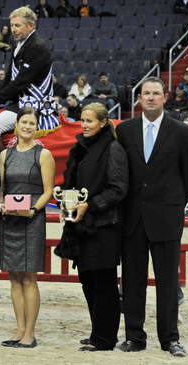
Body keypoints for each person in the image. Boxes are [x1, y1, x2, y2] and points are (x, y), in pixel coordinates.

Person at [116, 77, 188, 357]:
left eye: (156, 93)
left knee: (167, 282)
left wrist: (171, 205)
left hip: (166, 217)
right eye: (146, 93)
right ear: (139, 98)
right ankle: (134, 337)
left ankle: (170, 338)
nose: (150, 98)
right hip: (133, 219)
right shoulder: (124, 131)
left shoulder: (181, 132)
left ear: (165, 98)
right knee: (132, 281)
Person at [58, 103, 128, 351]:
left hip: (104, 226)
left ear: (102, 122)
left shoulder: (113, 148)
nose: (84, 125)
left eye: (89, 121)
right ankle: (98, 332)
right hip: (81, 225)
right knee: (87, 280)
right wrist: (69, 205)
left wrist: (91, 205)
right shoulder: (81, 148)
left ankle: (105, 338)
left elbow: (118, 189)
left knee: (103, 282)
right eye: (82, 120)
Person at [0, 107, 55, 348]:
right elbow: (0, 189)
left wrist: (33, 210)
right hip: (9, 221)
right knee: (14, 278)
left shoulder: (44, 155)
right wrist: (0, 205)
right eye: (24, 122)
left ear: (36, 127)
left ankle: (30, 333)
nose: (28, 126)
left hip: (31, 221)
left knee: (29, 278)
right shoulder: (4, 156)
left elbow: (48, 190)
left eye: (32, 123)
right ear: (16, 126)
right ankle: (19, 330)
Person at [0, 6, 57, 138]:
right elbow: (10, 75)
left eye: (17, 25)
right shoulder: (17, 42)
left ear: (31, 26)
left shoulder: (37, 47)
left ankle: (0, 158)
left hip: (34, 104)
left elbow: (20, 83)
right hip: (19, 101)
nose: (13, 29)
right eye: (12, 25)